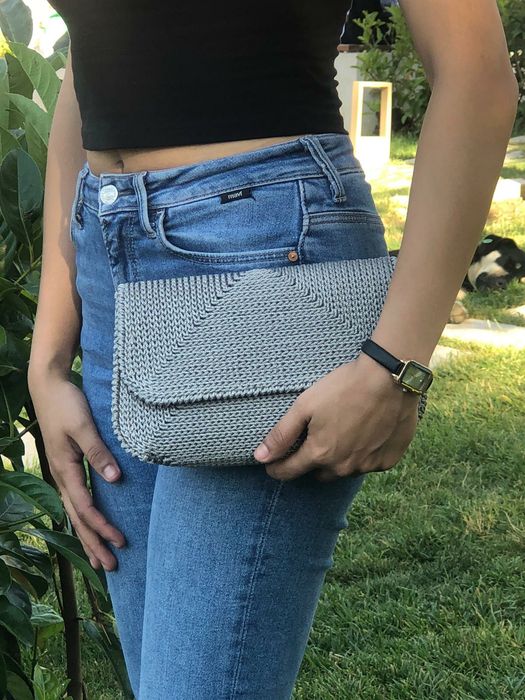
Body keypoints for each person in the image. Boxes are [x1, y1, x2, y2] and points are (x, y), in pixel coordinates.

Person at [28, 1, 518, 698]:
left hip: (265, 256)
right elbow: (89, 58)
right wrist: (48, 359)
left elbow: (474, 71)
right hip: (107, 262)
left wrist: (397, 364)